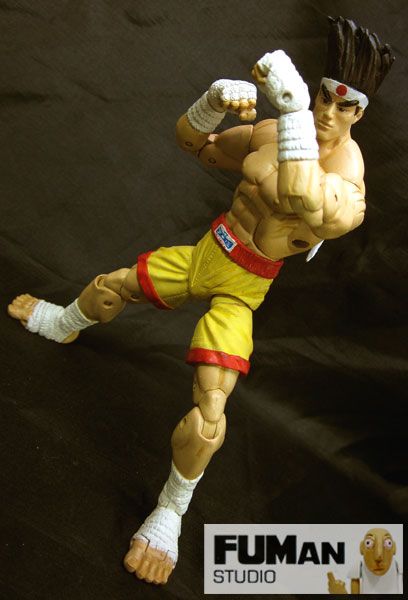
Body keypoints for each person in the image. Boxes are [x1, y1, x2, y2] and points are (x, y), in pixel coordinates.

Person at [8, 17, 394, 585]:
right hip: (206, 253)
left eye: (347, 105)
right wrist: (212, 102)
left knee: (210, 415)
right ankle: (64, 322)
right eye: (324, 97)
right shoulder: (272, 132)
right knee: (112, 285)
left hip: (242, 289)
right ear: (317, 92)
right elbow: (198, 146)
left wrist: (291, 110)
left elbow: (303, 196)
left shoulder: (348, 182)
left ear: (360, 113)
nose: (330, 113)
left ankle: (170, 511)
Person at [327, 527, 403, 594]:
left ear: (394, 548)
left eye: (388, 543)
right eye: (368, 543)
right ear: (361, 548)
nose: (378, 557)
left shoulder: (397, 565)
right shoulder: (359, 566)